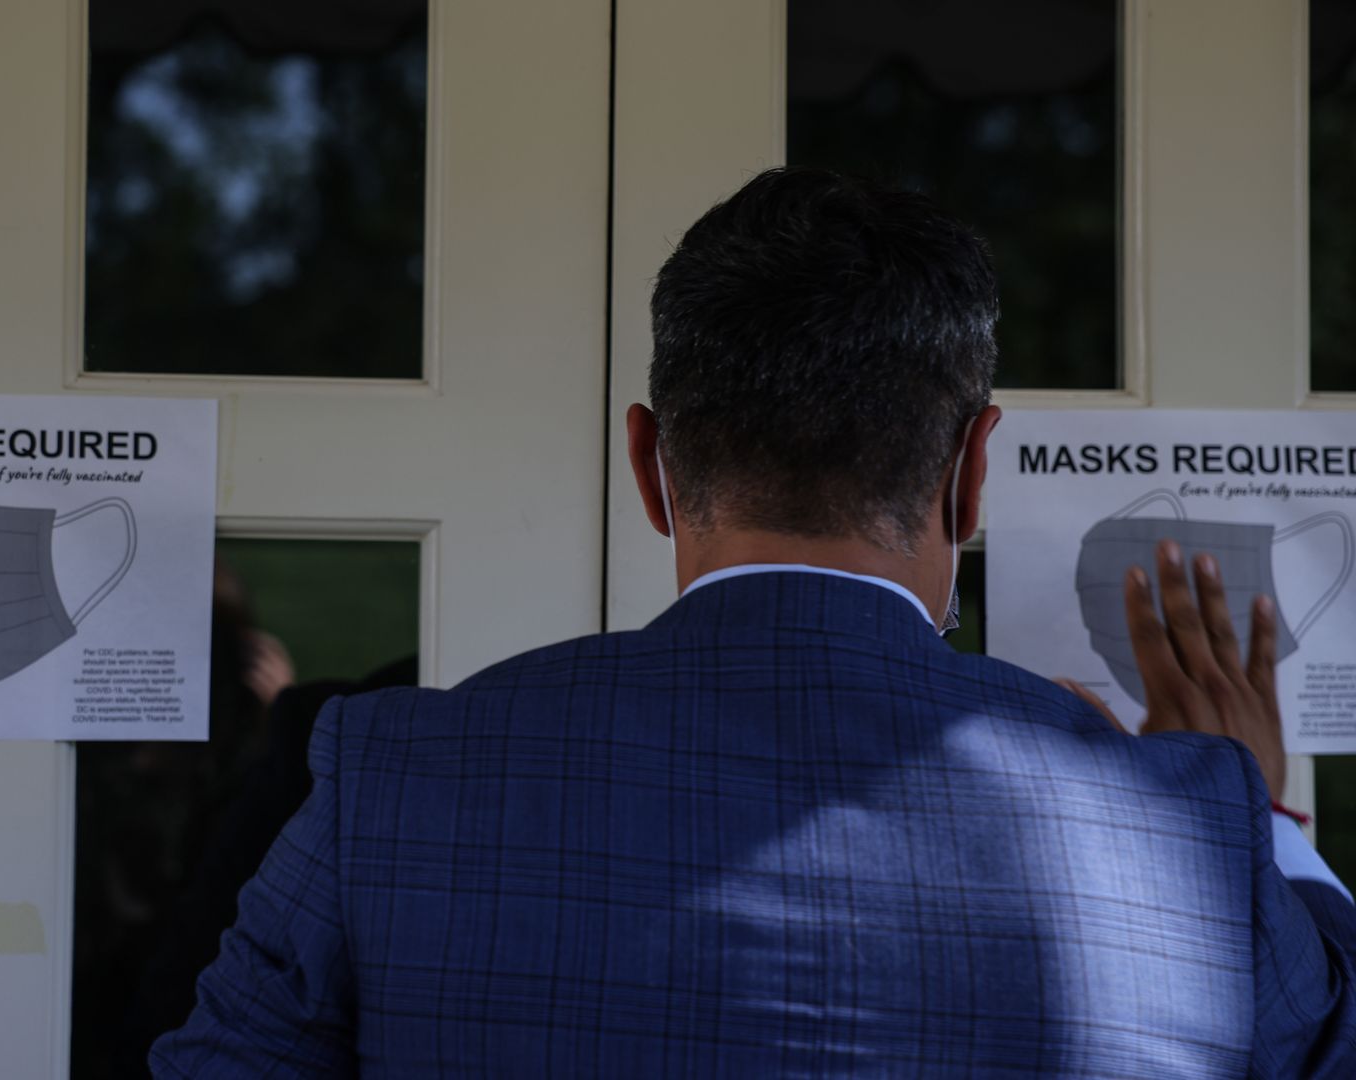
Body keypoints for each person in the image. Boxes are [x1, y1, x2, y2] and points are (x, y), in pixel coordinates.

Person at [149, 167, 1356, 1076]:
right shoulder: (1192, 832)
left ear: (648, 463)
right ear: (973, 476)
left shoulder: (387, 778)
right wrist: (1267, 816)